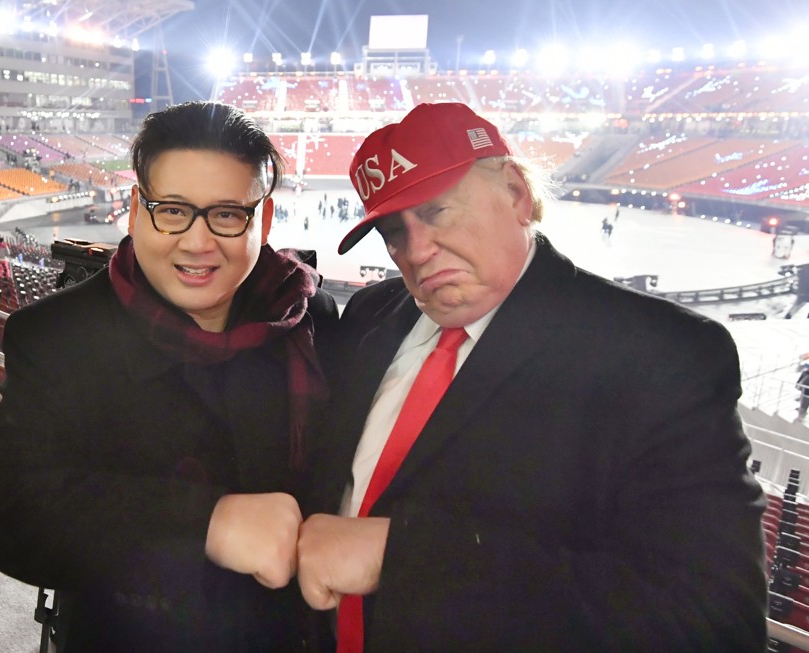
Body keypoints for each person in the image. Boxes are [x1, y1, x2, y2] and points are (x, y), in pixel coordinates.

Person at [296, 103, 766, 651]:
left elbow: (714, 621)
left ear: (517, 193)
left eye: (437, 211)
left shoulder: (660, 357)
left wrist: (400, 557)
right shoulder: (372, 316)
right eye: (393, 232)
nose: (415, 252)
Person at [0, 101, 338, 652]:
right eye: (173, 210)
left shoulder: (313, 321)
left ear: (266, 220)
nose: (198, 242)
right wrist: (208, 523)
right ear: (136, 209)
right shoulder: (60, 334)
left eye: (228, 214)